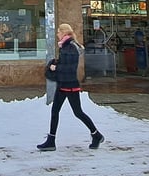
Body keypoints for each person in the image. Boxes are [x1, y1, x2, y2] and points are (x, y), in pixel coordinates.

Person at [37, 23, 104, 151]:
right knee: (55, 111)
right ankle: (51, 140)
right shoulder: (65, 46)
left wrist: (56, 67)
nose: (57, 34)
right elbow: (66, 64)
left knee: (78, 112)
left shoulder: (71, 47)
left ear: (64, 33)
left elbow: (71, 68)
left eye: (58, 32)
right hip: (63, 83)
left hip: (70, 85)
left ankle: (96, 135)